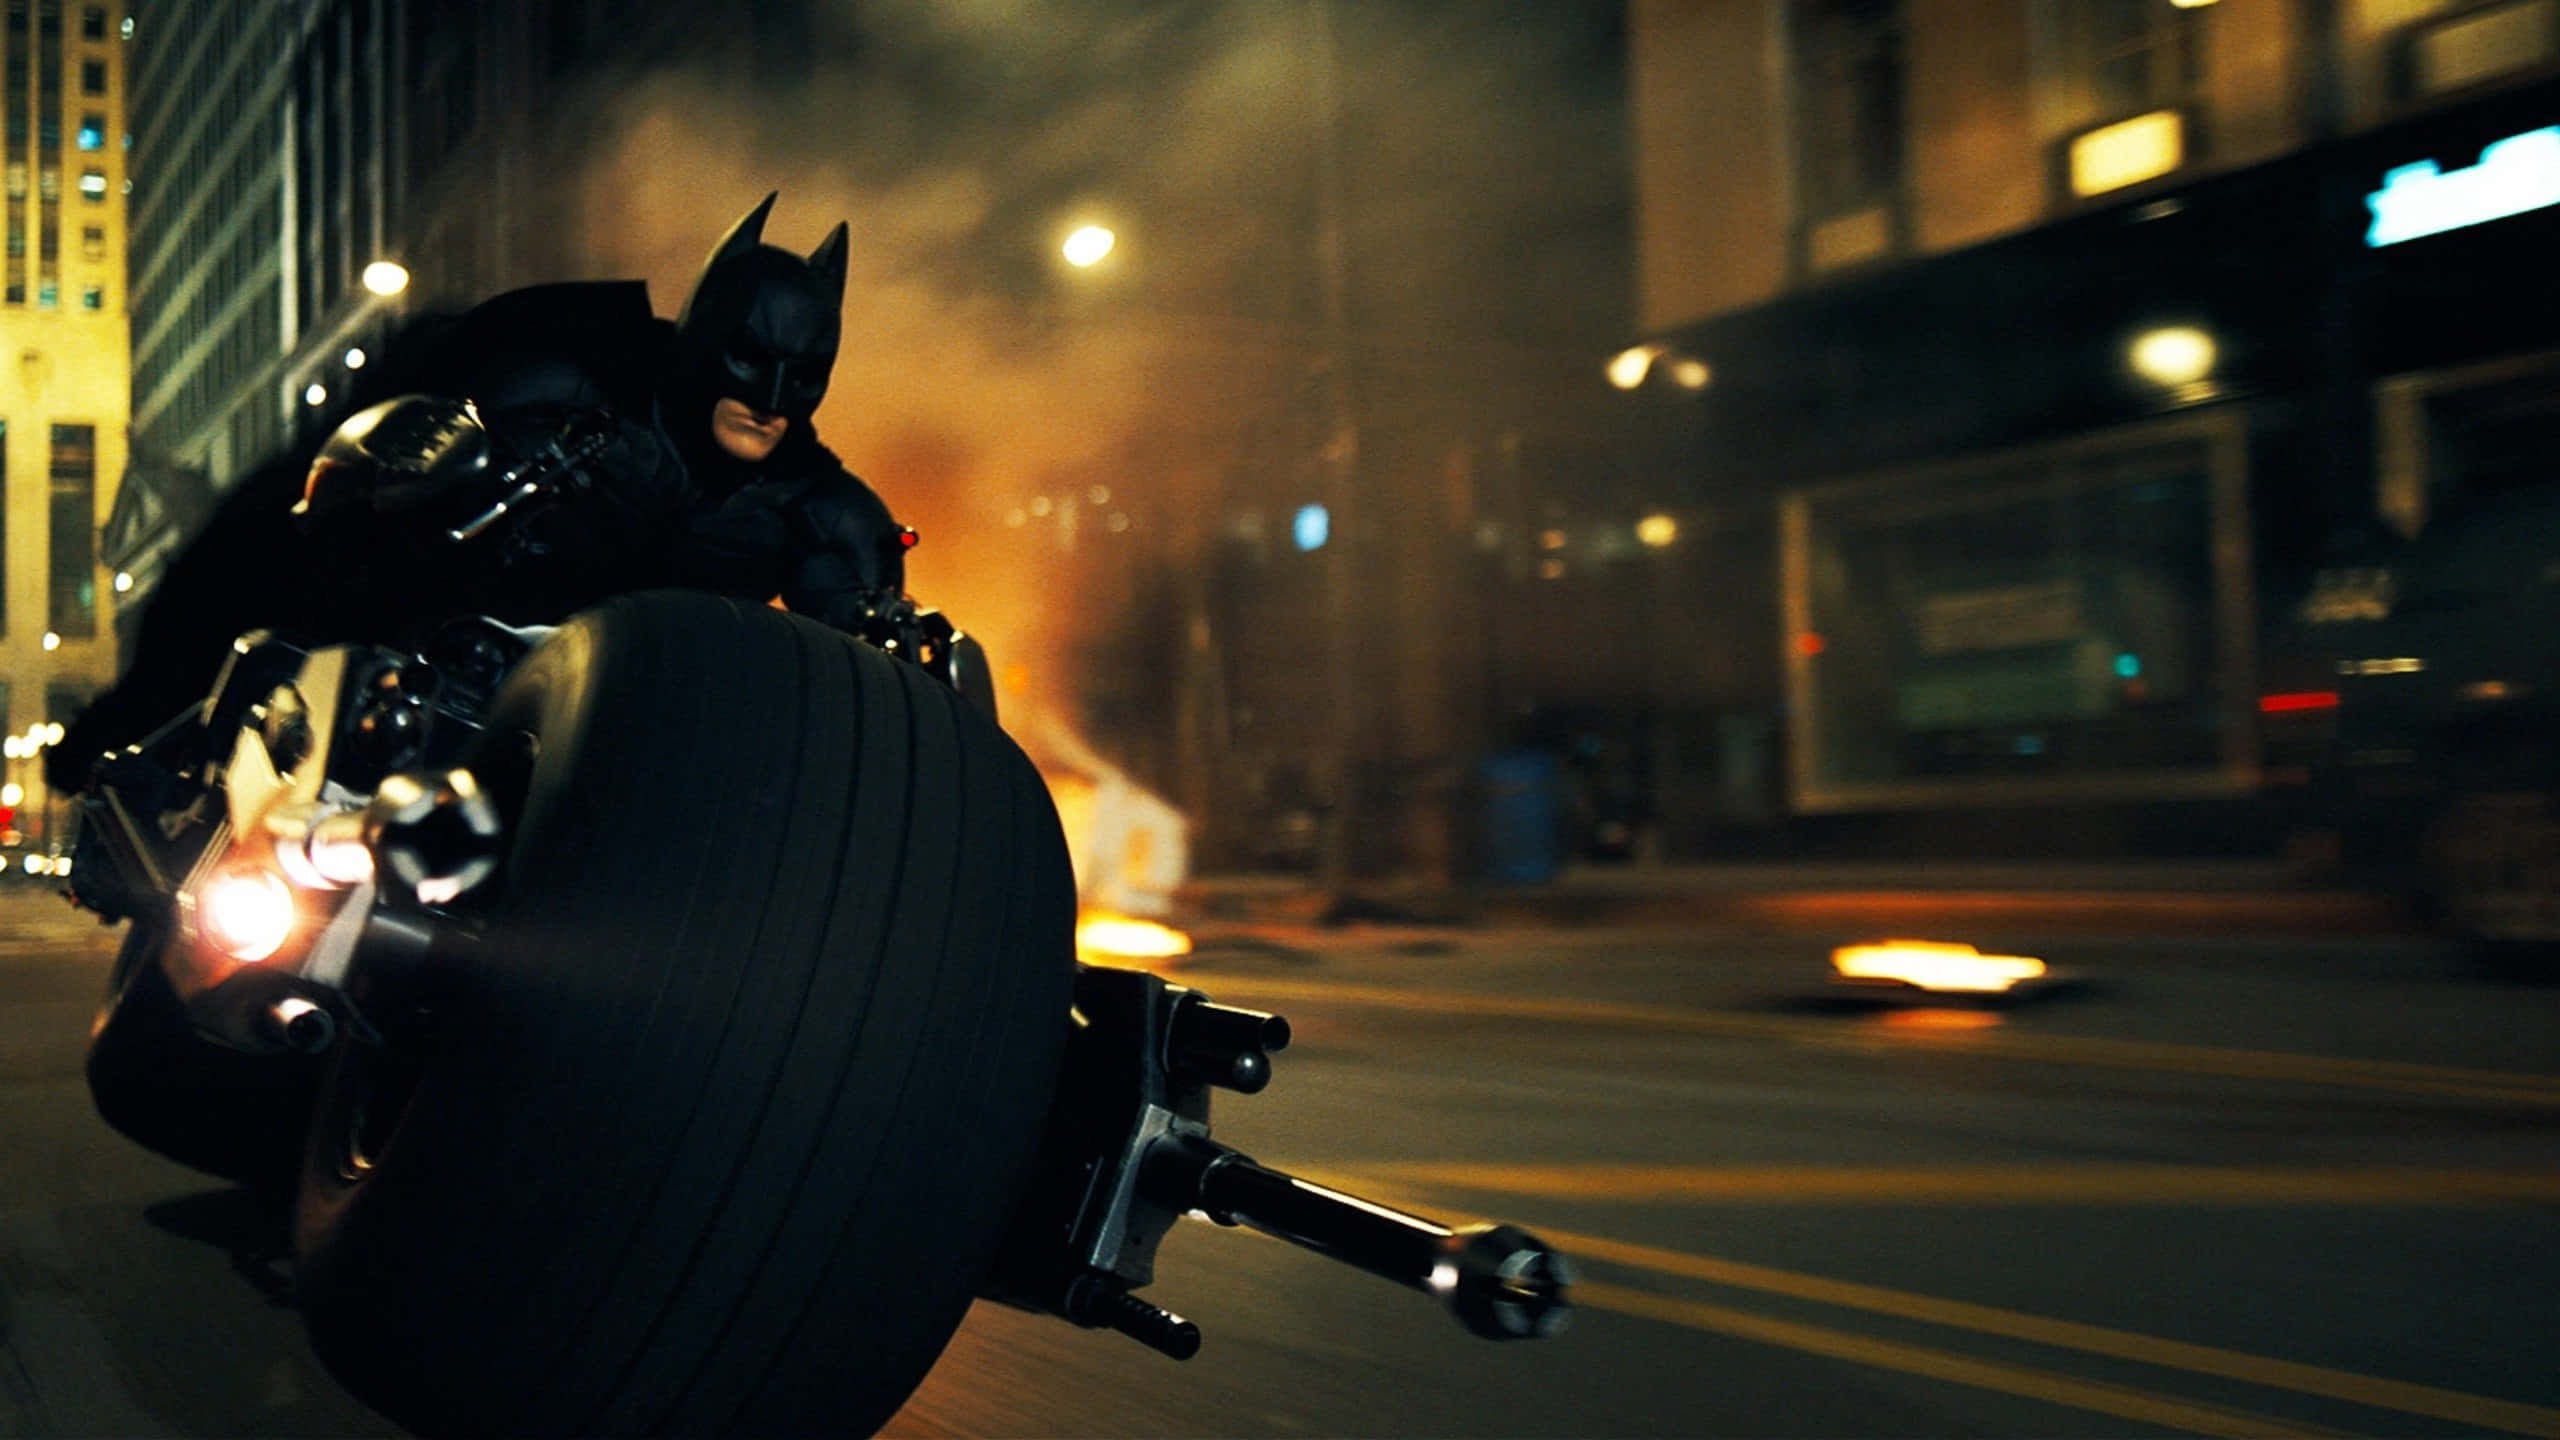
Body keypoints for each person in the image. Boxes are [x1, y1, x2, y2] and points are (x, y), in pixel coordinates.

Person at [52, 194, 912, 790]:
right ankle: (170, 764)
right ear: (706, 335)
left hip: (650, 757)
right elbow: (357, 506)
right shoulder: (568, 386)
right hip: (453, 690)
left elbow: (870, 687)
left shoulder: (824, 514)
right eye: (753, 359)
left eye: (805, 374)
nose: (772, 398)